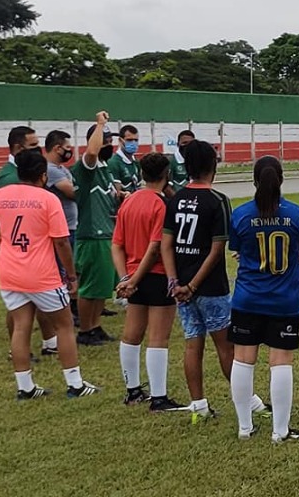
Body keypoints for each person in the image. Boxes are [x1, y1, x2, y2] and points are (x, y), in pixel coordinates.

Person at [0, 149, 100, 400]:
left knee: (20, 327)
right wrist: (71, 276)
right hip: (42, 275)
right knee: (64, 326)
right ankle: (75, 384)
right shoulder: (48, 199)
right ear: (42, 175)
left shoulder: (3, 194)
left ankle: (25, 387)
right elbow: (61, 242)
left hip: (10, 273)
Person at [160, 139, 265, 422]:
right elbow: (217, 249)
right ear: (212, 166)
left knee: (193, 344)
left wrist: (175, 282)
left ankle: (199, 404)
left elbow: (166, 244)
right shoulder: (218, 201)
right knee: (225, 346)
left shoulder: (176, 198)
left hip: (181, 286)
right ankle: (249, 401)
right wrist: (193, 284)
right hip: (209, 286)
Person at [228, 156, 299, 442]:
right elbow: (296, 250)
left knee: (243, 360)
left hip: (247, 298)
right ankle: (280, 431)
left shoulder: (240, 215)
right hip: (284, 301)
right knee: (281, 362)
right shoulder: (296, 214)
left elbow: (241, 249)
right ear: (281, 179)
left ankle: (244, 427)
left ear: (254, 180)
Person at [112, 153, 185, 412]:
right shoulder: (161, 205)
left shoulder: (129, 202)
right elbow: (155, 247)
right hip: (155, 275)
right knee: (158, 337)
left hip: (133, 276)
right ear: (166, 175)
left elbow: (117, 244)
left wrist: (126, 278)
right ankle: (159, 397)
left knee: (132, 333)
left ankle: (132, 390)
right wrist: (135, 278)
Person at [0, 126, 58, 360]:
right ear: (17, 148)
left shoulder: (22, 172)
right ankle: (18, 350)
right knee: (19, 306)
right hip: (17, 250)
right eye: (33, 145)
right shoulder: (10, 178)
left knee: (37, 299)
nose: (38, 149)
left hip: (31, 247)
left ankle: (49, 342)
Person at [72, 112, 121, 346]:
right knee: (90, 287)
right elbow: (91, 152)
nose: (108, 145)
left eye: (111, 141)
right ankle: (85, 330)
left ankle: (95, 325)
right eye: (105, 140)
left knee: (102, 286)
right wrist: (100, 124)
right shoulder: (86, 168)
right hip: (92, 235)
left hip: (107, 232)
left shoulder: (105, 169)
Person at [44, 130, 79, 328]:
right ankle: (61, 311)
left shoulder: (62, 168)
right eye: (67, 148)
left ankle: (72, 308)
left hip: (71, 226)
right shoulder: (51, 170)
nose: (69, 152)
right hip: (61, 228)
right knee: (62, 272)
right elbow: (73, 192)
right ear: (57, 148)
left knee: (71, 269)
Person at [109, 124, 142, 195]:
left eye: (136, 140)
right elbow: (116, 194)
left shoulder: (136, 163)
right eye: (129, 140)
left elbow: (139, 187)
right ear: (120, 140)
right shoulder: (114, 163)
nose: (133, 143)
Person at [166, 129, 196, 195]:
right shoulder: (171, 161)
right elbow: (166, 187)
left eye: (190, 143)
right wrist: (177, 199)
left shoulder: (197, 160)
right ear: (178, 144)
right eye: (184, 143)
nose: (187, 146)